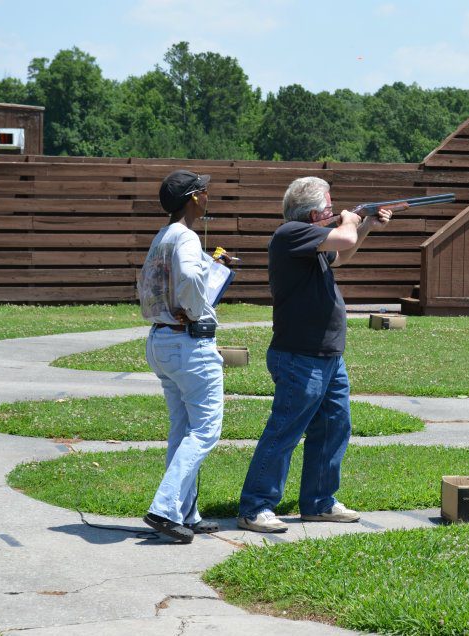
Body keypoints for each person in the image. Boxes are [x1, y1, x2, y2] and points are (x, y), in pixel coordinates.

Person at [237, 176, 391, 532]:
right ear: (312, 214)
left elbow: (343, 255)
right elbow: (345, 237)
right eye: (329, 208)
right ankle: (255, 506)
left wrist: (366, 224)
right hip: (299, 356)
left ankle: (319, 502)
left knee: (334, 427)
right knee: (285, 432)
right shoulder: (290, 233)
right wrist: (350, 220)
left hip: (327, 355)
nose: (333, 212)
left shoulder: (311, 242)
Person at [138, 169, 231, 544]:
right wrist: (194, 311)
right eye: (204, 190)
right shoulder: (188, 237)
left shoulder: (162, 236)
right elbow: (191, 279)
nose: (208, 195)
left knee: (182, 430)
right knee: (206, 430)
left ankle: (185, 513)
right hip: (188, 344)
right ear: (193, 198)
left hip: (161, 340)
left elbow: (151, 284)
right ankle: (164, 509)